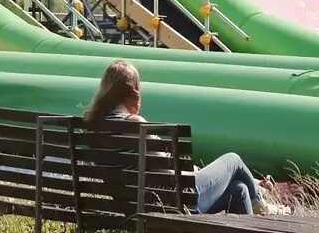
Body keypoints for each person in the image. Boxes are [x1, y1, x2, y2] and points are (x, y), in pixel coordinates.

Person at [83, 60, 288, 216]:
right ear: (134, 92)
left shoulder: (93, 125)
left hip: (132, 207)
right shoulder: (135, 124)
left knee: (239, 189)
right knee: (233, 159)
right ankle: (262, 204)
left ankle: (255, 199)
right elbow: (169, 171)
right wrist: (193, 169)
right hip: (172, 205)